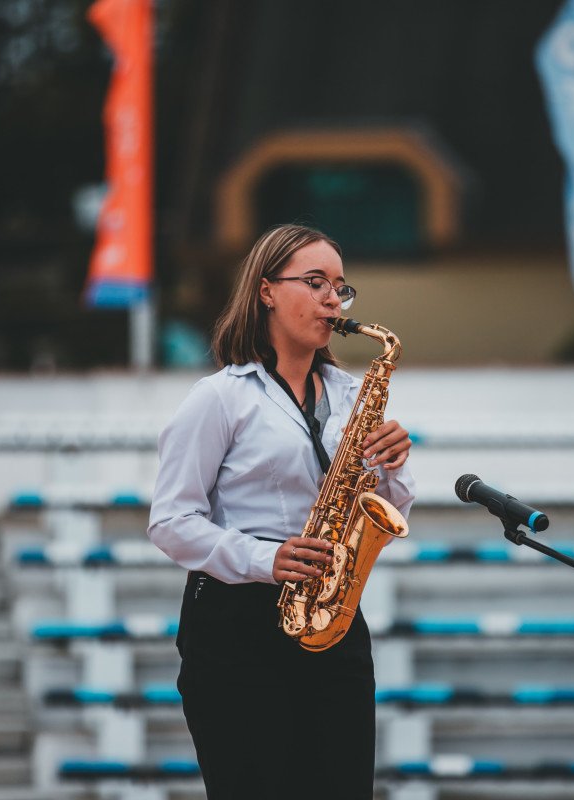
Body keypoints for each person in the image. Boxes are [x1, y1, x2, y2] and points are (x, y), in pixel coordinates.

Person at [147, 224, 416, 799]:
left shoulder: (351, 395)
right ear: (265, 290)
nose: (332, 300)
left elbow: (386, 510)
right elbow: (170, 522)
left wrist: (393, 465)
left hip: (333, 616)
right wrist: (265, 559)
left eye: (340, 287)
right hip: (235, 627)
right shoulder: (220, 397)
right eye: (315, 282)